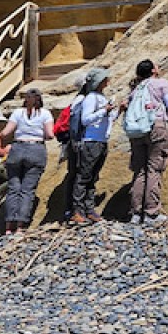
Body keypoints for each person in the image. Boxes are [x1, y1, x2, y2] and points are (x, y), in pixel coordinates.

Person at [124, 59, 168, 224]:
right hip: (156, 127)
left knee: (140, 170)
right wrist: (165, 116)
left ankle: (136, 213)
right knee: (154, 169)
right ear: (153, 71)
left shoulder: (135, 89)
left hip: (136, 131)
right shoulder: (161, 83)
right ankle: (151, 212)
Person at [64, 68, 119, 225]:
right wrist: (103, 111)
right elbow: (86, 119)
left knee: (93, 177)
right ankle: (77, 210)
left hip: (101, 141)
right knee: (84, 177)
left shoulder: (101, 97)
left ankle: (89, 210)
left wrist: (118, 111)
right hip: (90, 141)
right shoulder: (91, 98)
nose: (108, 81)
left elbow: (108, 119)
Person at [3, 89, 53, 233]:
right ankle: (20, 226)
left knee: (13, 189)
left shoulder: (18, 112)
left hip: (17, 148)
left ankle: (8, 226)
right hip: (36, 149)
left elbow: (6, 132)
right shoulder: (45, 113)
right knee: (27, 190)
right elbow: (50, 135)